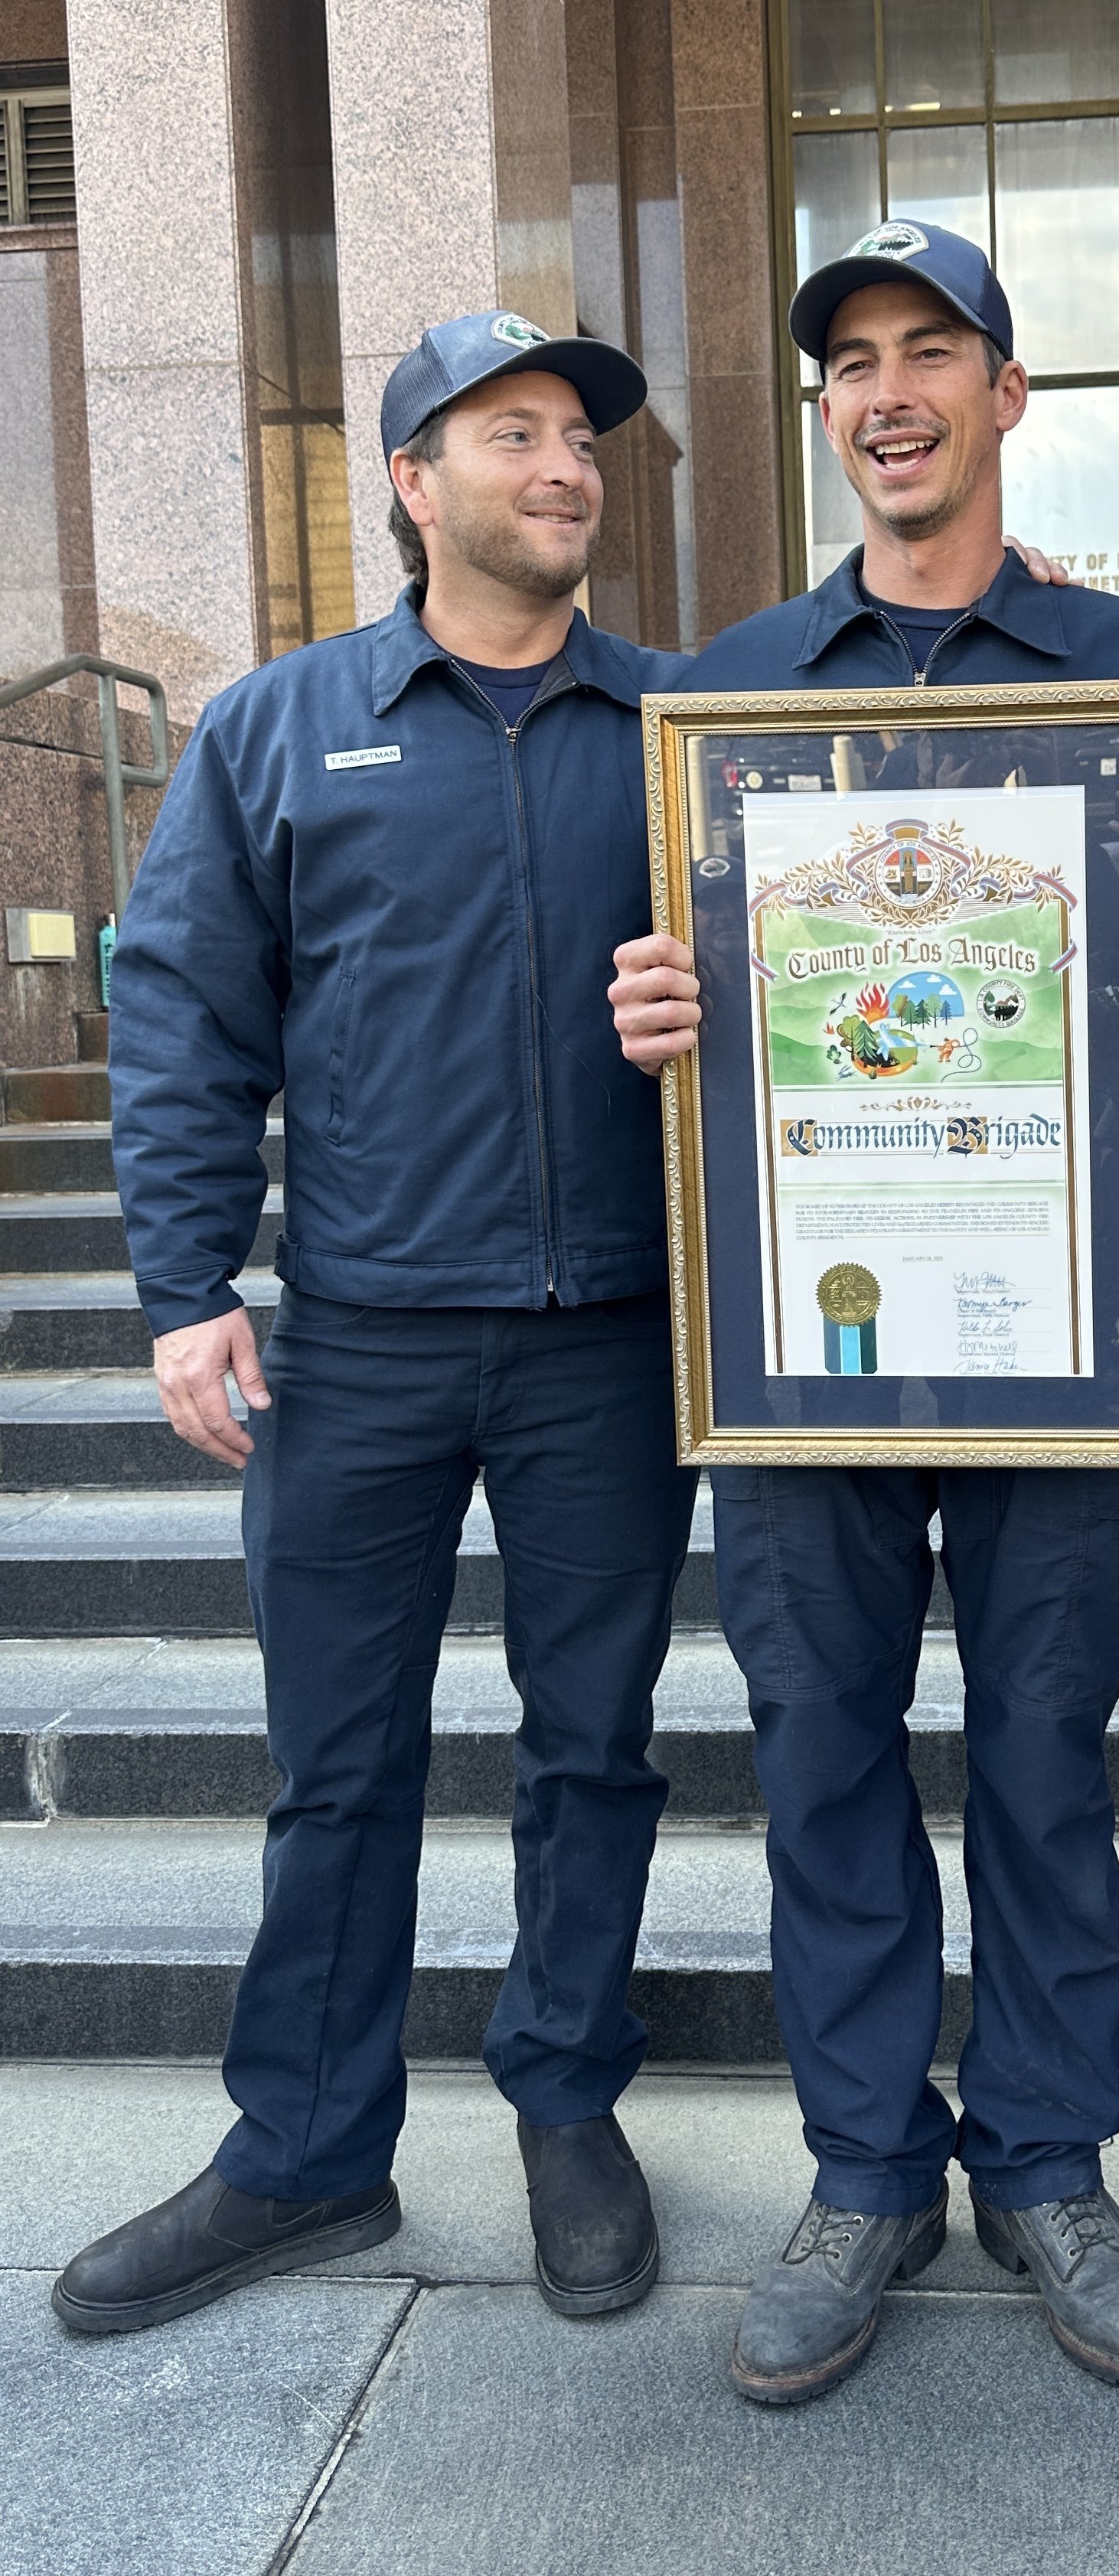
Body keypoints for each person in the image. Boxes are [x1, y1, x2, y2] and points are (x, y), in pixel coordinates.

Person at [609, 221, 1119, 2405]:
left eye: (932, 352)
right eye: (852, 361)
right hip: (810, 1346)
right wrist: (663, 1005)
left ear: (1006, 396)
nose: (889, 392)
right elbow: (682, 1026)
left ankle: (1046, 2162)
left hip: (1065, 1340)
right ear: (827, 414)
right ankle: (867, 2169)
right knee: (825, 1764)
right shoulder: (725, 703)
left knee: (1049, 1764)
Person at [54, 312, 702, 2335]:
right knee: (340, 1768)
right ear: (414, 483)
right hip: (361, 1346)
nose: (565, 462)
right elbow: (174, 1010)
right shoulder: (278, 728)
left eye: (582, 433)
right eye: (512, 432)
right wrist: (182, 1287)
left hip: (615, 1337)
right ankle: (305, 2151)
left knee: (594, 1754)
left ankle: (568, 2104)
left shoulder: (678, 730)